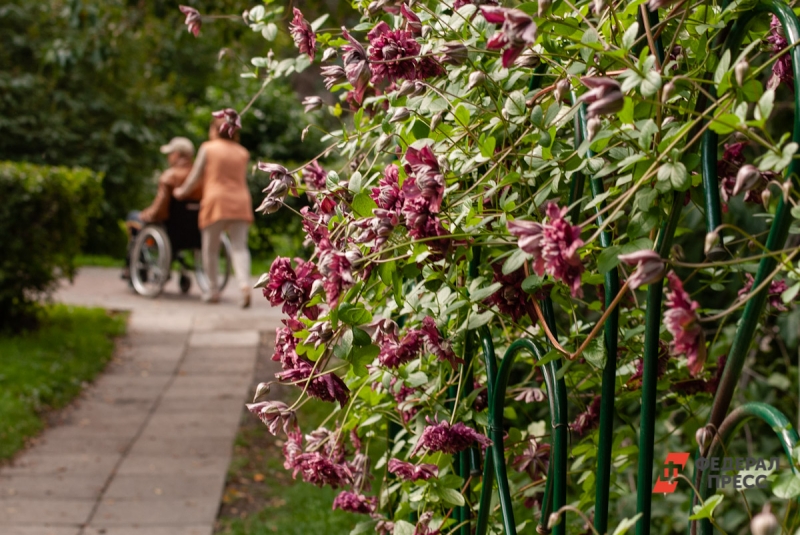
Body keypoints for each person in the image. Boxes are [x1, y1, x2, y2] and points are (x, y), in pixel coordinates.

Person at [174, 116, 253, 308]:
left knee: (210, 249)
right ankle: (244, 285)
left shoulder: (208, 148)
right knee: (239, 247)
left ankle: (213, 290)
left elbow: (195, 176)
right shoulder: (242, 152)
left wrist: (181, 191)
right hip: (240, 201)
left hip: (216, 201)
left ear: (215, 130)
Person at [123, 137, 201, 280]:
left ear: (177, 155)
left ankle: (131, 265)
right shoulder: (202, 177)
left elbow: (160, 211)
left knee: (133, 217)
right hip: (195, 232)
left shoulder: (170, 176)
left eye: (170, 153)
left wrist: (146, 215)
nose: (168, 157)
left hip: (170, 229)